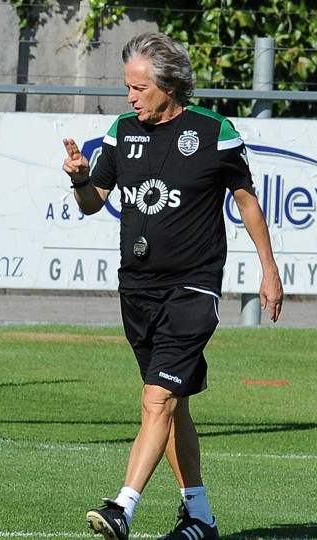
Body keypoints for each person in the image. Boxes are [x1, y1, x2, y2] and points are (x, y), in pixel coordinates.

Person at [61, 32, 283, 540]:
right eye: (127, 87)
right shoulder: (121, 132)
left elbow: (247, 201)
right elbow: (95, 201)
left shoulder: (214, 132)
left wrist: (268, 269)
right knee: (174, 401)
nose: (130, 97)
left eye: (138, 88)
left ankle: (123, 507)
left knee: (156, 399)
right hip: (136, 289)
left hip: (193, 288)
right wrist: (78, 178)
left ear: (168, 85)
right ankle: (199, 517)